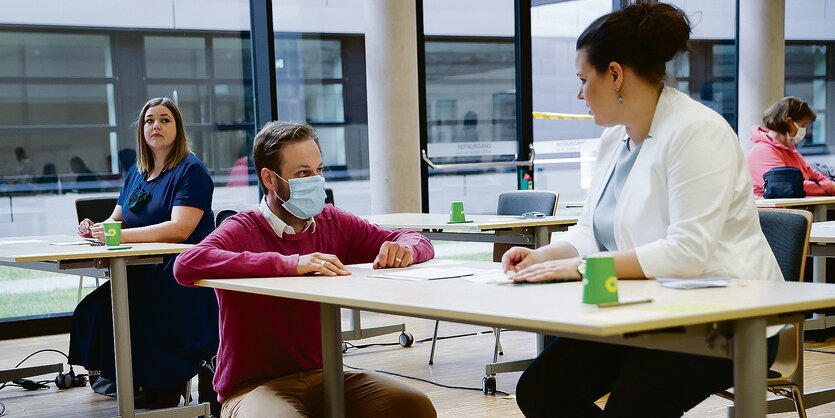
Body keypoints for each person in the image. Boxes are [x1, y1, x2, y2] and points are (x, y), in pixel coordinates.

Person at [502, 4, 783, 417]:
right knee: (542, 389)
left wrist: (583, 269)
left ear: (615, 74)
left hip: (724, 319)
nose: (579, 95)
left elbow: (687, 251)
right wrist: (542, 257)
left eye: (584, 80)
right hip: (645, 312)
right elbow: (591, 231)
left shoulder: (695, 132)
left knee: (632, 408)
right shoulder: (614, 141)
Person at [173, 121, 437, 418]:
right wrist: (291, 264)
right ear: (270, 179)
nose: (316, 180)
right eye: (303, 173)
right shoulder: (241, 228)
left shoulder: (332, 222)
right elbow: (187, 264)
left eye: (319, 170)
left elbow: (416, 239)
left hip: (327, 375)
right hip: (254, 387)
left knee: (414, 406)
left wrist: (406, 249)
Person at [69, 97, 218, 409]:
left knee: (141, 310)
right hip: (142, 268)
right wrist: (95, 228)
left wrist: (119, 236)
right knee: (92, 311)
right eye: (150, 120)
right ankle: (123, 378)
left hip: (181, 271)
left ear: (178, 128)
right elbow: (116, 219)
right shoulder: (137, 172)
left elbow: (179, 229)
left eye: (165, 120)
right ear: (142, 130)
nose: (156, 126)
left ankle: (166, 381)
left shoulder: (192, 171)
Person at [746, 96, 833, 197]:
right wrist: (830, 187)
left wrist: (829, 186)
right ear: (789, 122)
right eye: (803, 125)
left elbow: (815, 175)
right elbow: (789, 185)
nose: (805, 130)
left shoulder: (790, 149)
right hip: (773, 211)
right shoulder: (763, 151)